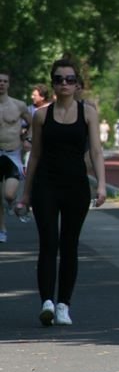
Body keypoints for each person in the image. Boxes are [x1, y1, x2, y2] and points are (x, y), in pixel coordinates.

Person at [20, 57, 107, 325]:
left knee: (69, 245)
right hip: (46, 184)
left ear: (77, 84)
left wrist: (101, 184)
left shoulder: (88, 113)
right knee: (48, 242)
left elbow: (95, 151)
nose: (65, 84)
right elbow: (34, 156)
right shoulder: (41, 115)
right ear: (53, 84)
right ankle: (47, 301)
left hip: (76, 186)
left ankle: (63, 305)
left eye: (70, 79)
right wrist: (26, 193)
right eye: (59, 79)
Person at [0, 70, 33, 242]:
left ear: (8, 84)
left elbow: (34, 123)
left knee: (9, 195)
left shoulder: (18, 105)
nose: (1, 84)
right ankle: (2, 228)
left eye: (4, 81)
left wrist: (28, 138)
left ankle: (11, 204)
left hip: (12, 153)